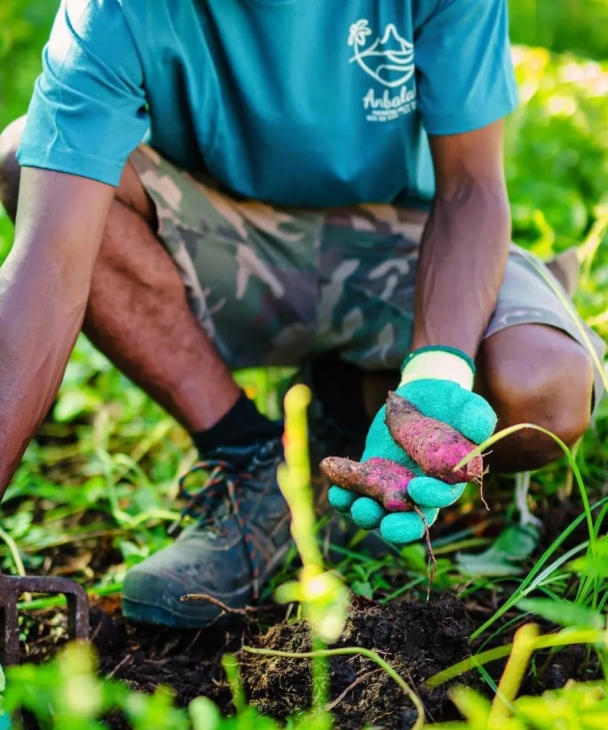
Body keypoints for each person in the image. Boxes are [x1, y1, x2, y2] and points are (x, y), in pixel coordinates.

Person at [0, 0, 603, 628]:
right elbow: (45, 270)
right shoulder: (119, 10)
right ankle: (252, 464)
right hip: (223, 240)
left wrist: (437, 377)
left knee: (544, 392)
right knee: (30, 160)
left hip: (408, 245)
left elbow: (471, 186)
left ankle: (343, 408)